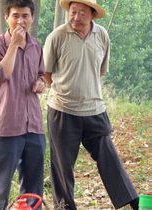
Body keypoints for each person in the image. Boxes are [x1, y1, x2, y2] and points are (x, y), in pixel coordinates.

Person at [43, 0, 139, 209]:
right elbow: (47, 74)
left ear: (93, 15)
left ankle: (133, 202)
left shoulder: (102, 35)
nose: (76, 17)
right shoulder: (57, 36)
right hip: (62, 111)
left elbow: (100, 71)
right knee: (62, 167)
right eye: (73, 12)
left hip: (95, 109)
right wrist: (65, 91)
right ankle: (65, 207)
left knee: (109, 156)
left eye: (82, 13)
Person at [0, 0, 46, 209]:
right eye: (16, 15)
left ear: (32, 18)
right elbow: (1, 75)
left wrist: (40, 83)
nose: (20, 21)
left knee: (33, 189)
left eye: (25, 16)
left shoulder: (36, 46)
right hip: (6, 126)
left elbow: (41, 75)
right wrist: (14, 45)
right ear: (6, 17)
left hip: (34, 125)